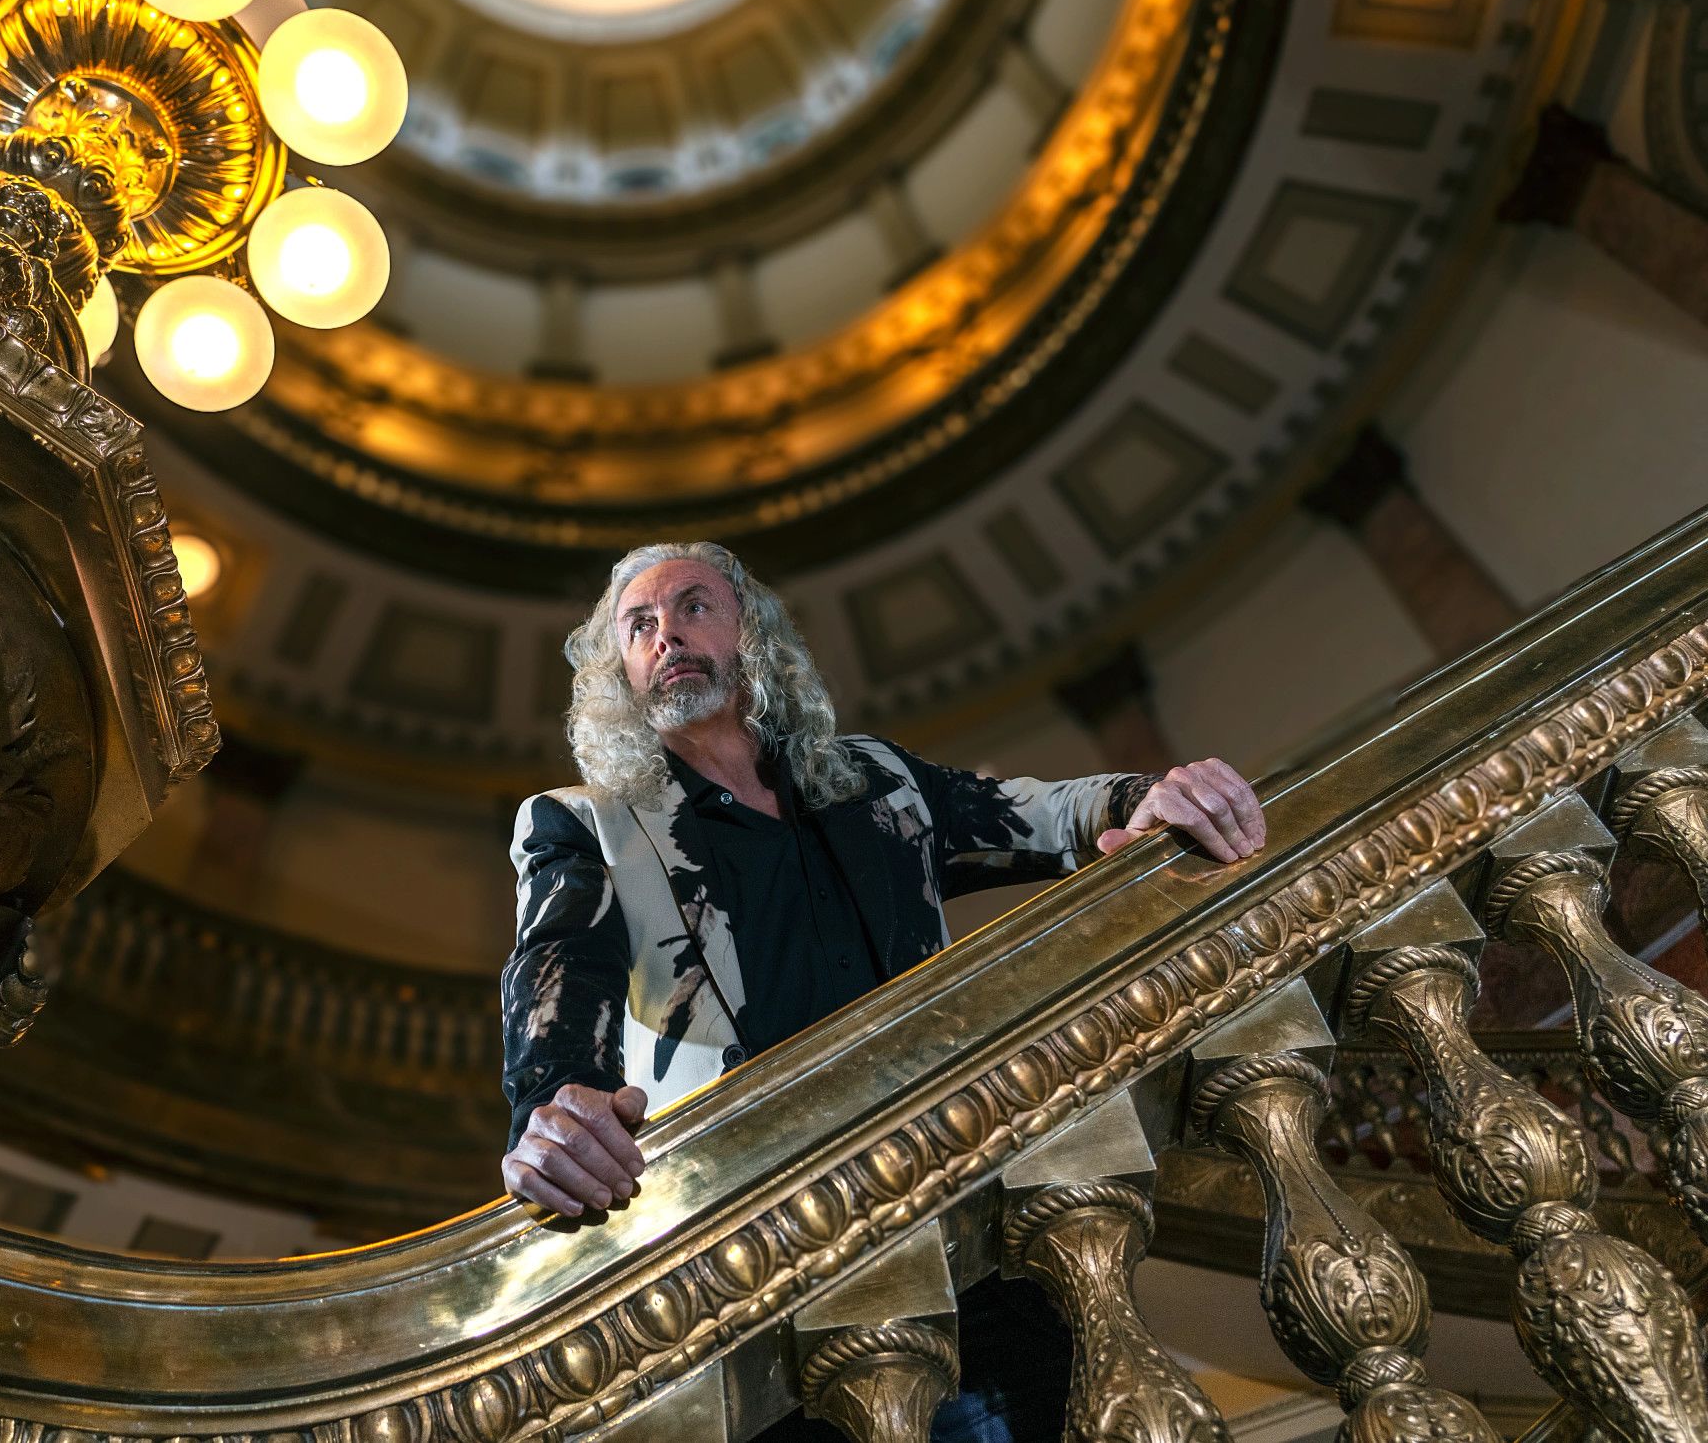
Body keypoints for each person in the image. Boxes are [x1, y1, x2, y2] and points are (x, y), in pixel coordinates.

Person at [500, 541, 1265, 1441]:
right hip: (765, 1268)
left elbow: (1044, 815)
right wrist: (551, 1104)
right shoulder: (585, 822)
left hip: (965, 1227)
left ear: (753, 633)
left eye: (693, 606)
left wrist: (1153, 793)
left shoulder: (875, 780)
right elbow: (557, 967)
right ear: (620, 672)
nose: (666, 633)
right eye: (639, 625)